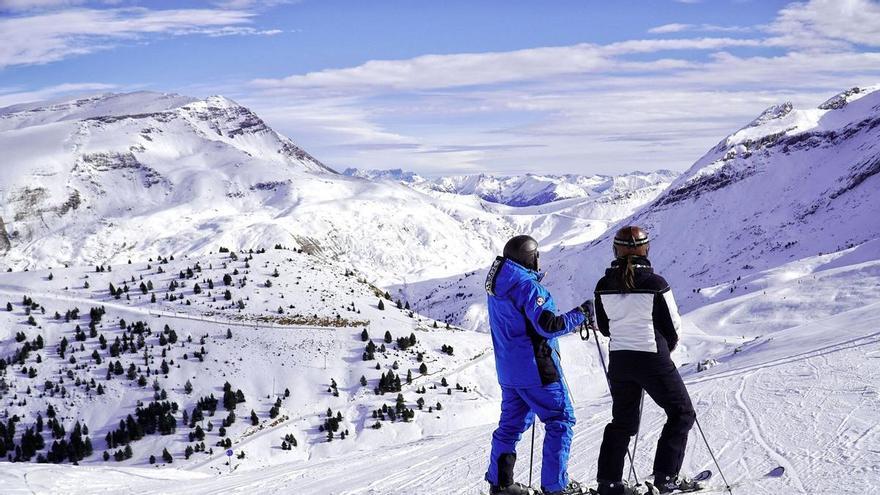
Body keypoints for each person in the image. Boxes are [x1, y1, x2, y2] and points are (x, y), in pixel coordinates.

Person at [593, 226, 701, 495]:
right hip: (652, 357)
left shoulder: (603, 286)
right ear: (646, 248)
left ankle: (609, 483)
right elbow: (672, 325)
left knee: (623, 422)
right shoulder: (656, 284)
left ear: (616, 250)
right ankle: (666, 478)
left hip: (619, 360)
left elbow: (604, 328)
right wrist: (666, 349)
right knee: (681, 413)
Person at [485, 234, 593, 495]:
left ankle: (501, 485)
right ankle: (556, 486)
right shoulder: (528, 287)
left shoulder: (499, 285)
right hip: (536, 370)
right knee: (560, 419)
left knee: (510, 426)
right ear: (530, 257)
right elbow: (548, 326)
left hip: (509, 372)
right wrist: (582, 313)